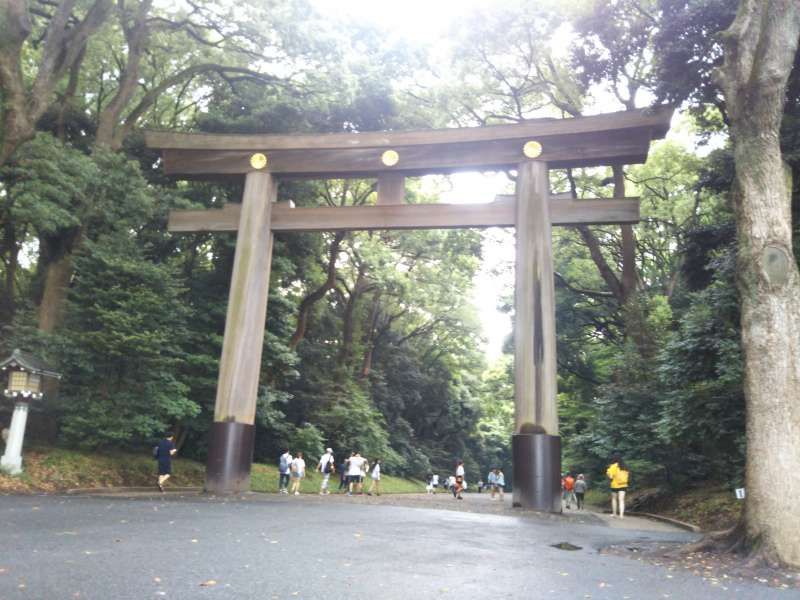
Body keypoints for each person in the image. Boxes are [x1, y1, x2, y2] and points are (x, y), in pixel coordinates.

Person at [606, 453, 630, 518]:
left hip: (615, 485)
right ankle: (621, 515)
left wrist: (608, 473)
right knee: (621, 500)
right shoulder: (625, 466)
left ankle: (614, 514)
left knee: (614, 499)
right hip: (624, 484)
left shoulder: (613, 466)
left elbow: (610, 476)